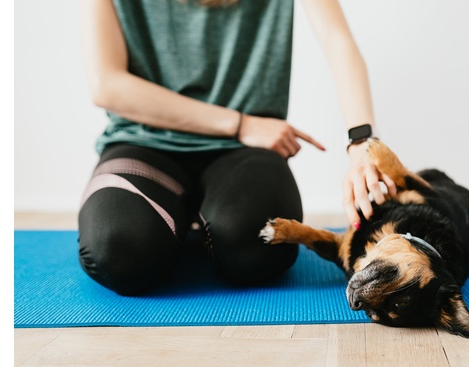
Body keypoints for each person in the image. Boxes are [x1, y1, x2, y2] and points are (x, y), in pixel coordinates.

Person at [79, 0, 397, 296]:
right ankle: (177, 228)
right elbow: (106, 84)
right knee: (119, 252)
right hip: (143, 143)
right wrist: (240, 123)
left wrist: (362, 143)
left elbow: (337, 42)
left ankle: (195, 228)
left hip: (243, 151)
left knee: (258, 247)